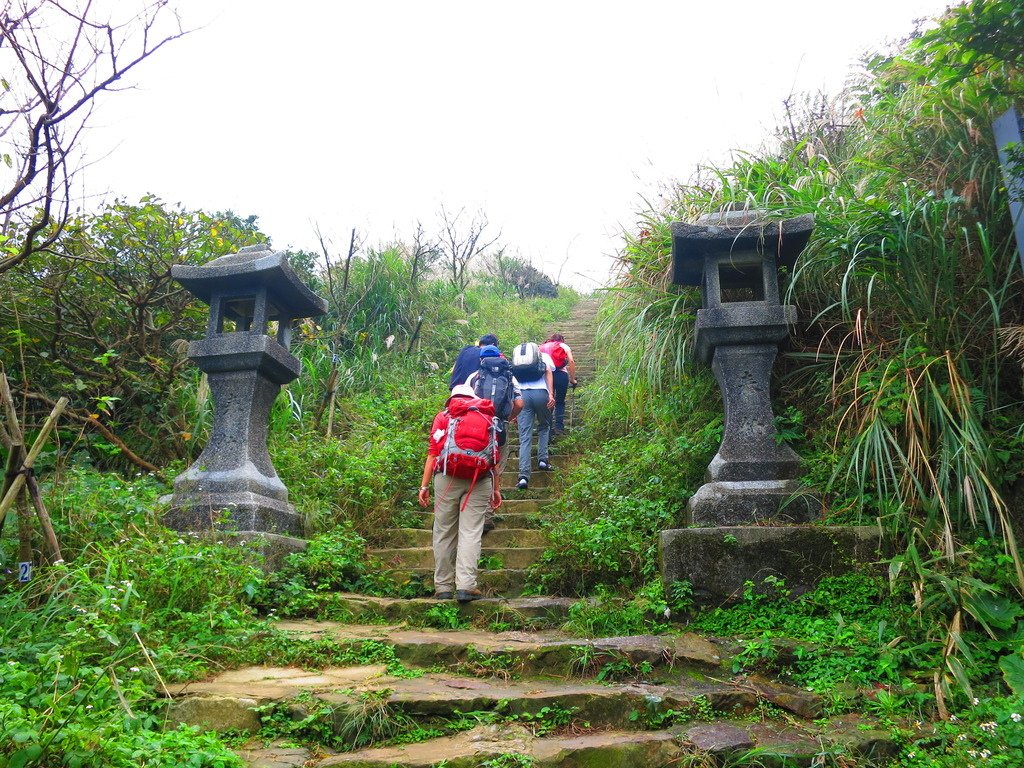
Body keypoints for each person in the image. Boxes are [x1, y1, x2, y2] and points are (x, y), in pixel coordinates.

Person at [418, 384, 501, 603]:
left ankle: (443, 587)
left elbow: (433, 453)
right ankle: (466, 586)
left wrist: (424, 486)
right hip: (480, 479)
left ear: (451, 399)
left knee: (444, 531)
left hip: (447, 477)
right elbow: (493, 456)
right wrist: (496, 489)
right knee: (471, 532)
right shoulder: (486, 417)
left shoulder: (444, 416)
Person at [465, 344, 523, 532]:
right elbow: (520, 403)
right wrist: (509, 417)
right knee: (495, 468)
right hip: (500, 428)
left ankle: (471, 513)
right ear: (500, 356)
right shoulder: (509, 376)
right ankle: (488, 515)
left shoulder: (474, 377)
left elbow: (463, 402)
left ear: (481, 359)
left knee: (476, 465)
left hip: (476, 428)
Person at [511, 342, 556, 490]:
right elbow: (548, 371)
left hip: (523, 396)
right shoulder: (543, 356)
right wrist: (550, 393)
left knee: (525, 437)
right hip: (540, 393)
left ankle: (523, 476)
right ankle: (543, 460)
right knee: (544, 426)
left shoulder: (517, 362)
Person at [539, 333, 577, 433]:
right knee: (560, 402)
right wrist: (572, 379)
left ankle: (548, 428)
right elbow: (571, 361)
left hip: (546, 376)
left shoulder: (541, 347)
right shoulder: (563, 345)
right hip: (561, 375)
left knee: (549, 402)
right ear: (562, 340)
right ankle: (559, 427)